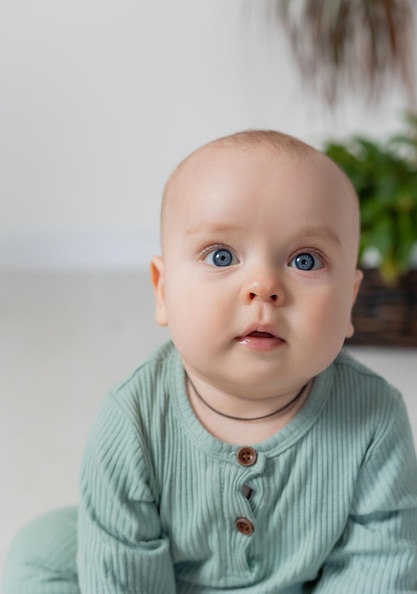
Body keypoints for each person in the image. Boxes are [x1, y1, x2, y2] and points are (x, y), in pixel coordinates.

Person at [3, 130, 417, 593]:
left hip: (308, 581)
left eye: (305, 260)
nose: (263, 286)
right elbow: (123, 573)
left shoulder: (375, 418)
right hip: (168, 581)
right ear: (163, 291)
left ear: (350, 302)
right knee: (41, 550)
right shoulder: (132, 419)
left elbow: (379, 559)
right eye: (222, 255)